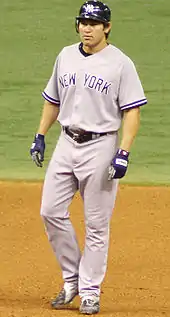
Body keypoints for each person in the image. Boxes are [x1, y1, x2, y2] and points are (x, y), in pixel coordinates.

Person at [30, 0, 147, 314]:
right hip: (66, 144)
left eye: (94, 23)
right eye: (83, 22)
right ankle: (72, 280)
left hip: (101, 146)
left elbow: (132, 111)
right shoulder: (66, 56)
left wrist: (124, 152)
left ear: (107, 27)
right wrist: (40, 135)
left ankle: (90, 291)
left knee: (96, 225)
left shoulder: (120, 63)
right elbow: (52, 100)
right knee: (49, 211)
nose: (87, 28)